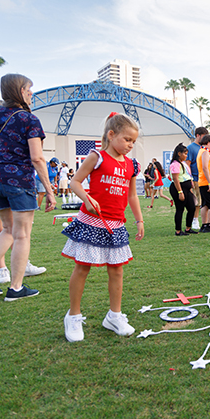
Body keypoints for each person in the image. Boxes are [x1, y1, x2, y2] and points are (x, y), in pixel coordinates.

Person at [0, 73, 56, 300]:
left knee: (7, 230)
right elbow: (37, 158)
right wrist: (48, 188)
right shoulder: (29, 119)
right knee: (22, 234)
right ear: (19, 90)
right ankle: (16, 288)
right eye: (29, 89)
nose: (31, 93)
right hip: (18, 181)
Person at [61, 112, 144, 342]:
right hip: (91, 221)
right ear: (111, 134)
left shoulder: (131, 165)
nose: (130, 145)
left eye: (133, 141)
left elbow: (132, 196)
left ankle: (114, 316)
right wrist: (86, 198)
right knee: (82, 267)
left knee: (117, 270)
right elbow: (75, 182)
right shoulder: (96, 157)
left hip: (116, 225)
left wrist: (139, 220)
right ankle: (74, 316)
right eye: (127, 139)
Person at [169, 143, 197, 236]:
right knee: (180, 209)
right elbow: (176, 179)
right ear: (179, 153)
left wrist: (190, 186)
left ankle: (188, 228)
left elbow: (188, 175)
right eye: (184, 153)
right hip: (179, 188)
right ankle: (178, 231)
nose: (186, 156)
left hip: (187, 189)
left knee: (192, 208)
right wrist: (180, 192)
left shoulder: (183, 163)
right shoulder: (175, 164)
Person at [186, 127, 207, 230]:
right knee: (197, 201)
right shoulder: (191, 148)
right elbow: (187, 164)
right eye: (203, 136)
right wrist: (190, 178)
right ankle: (195, 220)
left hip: (205, 179)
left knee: (206, 200)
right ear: (198, 135)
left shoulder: (205, 148)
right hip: (195, 178)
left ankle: (206, 220)